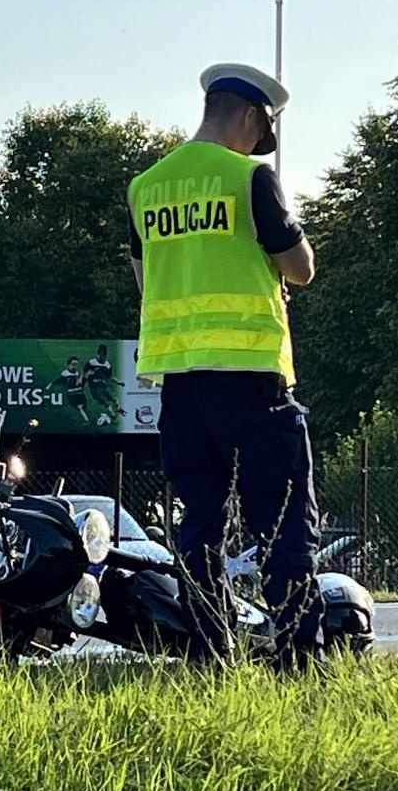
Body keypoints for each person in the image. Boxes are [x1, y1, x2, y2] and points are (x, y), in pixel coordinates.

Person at [127, 63, 324, 668]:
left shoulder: (146, 187)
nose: (258, 143)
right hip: (250, 374)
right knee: (285, 521)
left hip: (180, 381)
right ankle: (297, 663)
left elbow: (146, 281)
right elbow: (300, 268)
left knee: (198, 526)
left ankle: (212, 658)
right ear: (248, 115)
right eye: (260, 130)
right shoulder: (250, 178)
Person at [83, 344, 125, 424]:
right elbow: (84, 374)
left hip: (103, 386)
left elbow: (110, 376)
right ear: (97, 354)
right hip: (94, 387)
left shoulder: (107, 365)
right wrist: (88, 374)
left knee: (115, 400)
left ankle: (116, 414)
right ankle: (112, 414)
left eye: (104, 356)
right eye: (100, 355)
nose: (102, 357)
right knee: (104, 402)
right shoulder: (91, 363)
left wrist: (119, 382)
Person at [46, 355, 92, 424]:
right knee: (79, 407)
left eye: (76, 365)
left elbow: (82, 383)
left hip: (80, 394)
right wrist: (50, 385)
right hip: (72, 394)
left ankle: (85, 417)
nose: (74, 367)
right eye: (73, 365)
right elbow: (57, 380)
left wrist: (86, 376)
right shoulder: (65, 374)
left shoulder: (78, 373)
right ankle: (87, 421)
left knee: (83, 407)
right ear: (68, 365)